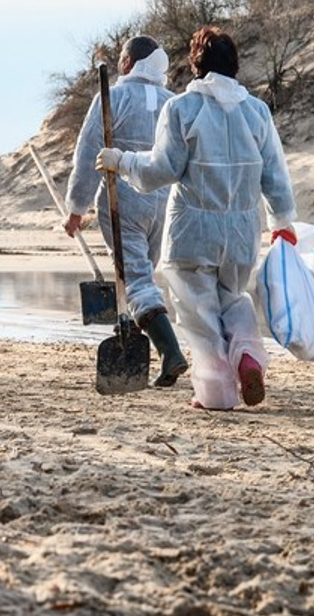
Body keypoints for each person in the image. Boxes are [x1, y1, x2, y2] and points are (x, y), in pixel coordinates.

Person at [96, 26, 297, 411]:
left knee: (197, 310)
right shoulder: (256, 111)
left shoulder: (182, 109)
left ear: (196, 64)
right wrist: (282, 220)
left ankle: (217, 391)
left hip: (193, 228)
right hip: (241, 230)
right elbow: (275, 174)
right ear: (234, 63)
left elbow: (161, 169)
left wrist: (121, 161)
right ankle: (248, 356)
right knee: (233, 298)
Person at [63, 35, 187, 386]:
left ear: (129, 63)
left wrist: (76, 208)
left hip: (125, 201)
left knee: (134, 279)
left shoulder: (112, 97)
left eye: (122, 56)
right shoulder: (173, 103)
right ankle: (137, 337)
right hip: (165, 203)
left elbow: (88, 155)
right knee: (142, 273)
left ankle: (170, 352)